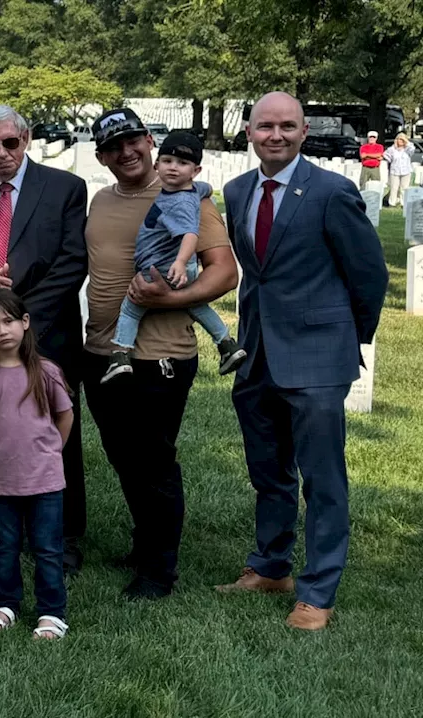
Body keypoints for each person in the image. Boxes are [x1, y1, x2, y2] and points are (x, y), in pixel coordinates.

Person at [216, 91, 388, 631]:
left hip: (318, 356)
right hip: (257, 353)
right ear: (249, 132)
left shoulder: (332, 191)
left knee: (323, 478)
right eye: (266, 126)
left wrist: (347, 339)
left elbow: (370, 275)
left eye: (287, 126)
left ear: (304, 131)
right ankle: (271, 566)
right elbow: (256, 272)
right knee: (268, 470)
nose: (276, 135)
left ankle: (317, 591)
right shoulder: (238, 189)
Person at [81, 107, 238, 600]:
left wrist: (168, 299)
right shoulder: (101, 201)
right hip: (103, 350)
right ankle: (144, 542)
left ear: (149, 141)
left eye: (134, 141)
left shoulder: (187, 196)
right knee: (122, 456)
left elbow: (223, 272)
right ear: (102, 155)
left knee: (153, 460)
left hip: (161, 356)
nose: (126, 152)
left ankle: (158, 571)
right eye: (113, 146)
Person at [0, 104, 88, 572]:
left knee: (55, 427)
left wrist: (20, 315)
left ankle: (63, 533)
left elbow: (73, 261)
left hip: (47, 330)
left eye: (11, 142)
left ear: (26, 138)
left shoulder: (66, 187)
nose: (2, 153)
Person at [0, 288, 73, 640]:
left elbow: (64, 415)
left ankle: (51, 611)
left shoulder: (45, 371)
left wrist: (53, 450)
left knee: (46, 548)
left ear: (25, 323)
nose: (3, 330)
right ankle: (6, 602)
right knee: (4, 546)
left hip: (44, 481)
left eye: (9, 321)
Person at [100, 132, 246, 383]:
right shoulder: (192, 190)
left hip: (162, 268)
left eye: (182, 164)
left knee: (131, 309)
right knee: (196, 305)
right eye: (168, 161)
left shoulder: (177, 203)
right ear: (157, 165)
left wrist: (179, 262)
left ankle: (120, 354)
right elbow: (204, 188)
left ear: (195, 170)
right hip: (177, 269)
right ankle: (226, 343)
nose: (174, 168)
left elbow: (190, 233)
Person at [383, 133, 414, 207]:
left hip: (406, 171)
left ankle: (403, 203)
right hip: (395, 171)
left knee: (404, 188)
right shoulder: (392, 149)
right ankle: (392, 203)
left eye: (402, 139)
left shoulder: (408, 149)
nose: (400, 141)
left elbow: (412, 148)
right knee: (394, 187)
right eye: (399, 139)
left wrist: (406, 141)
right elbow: (386, 156)